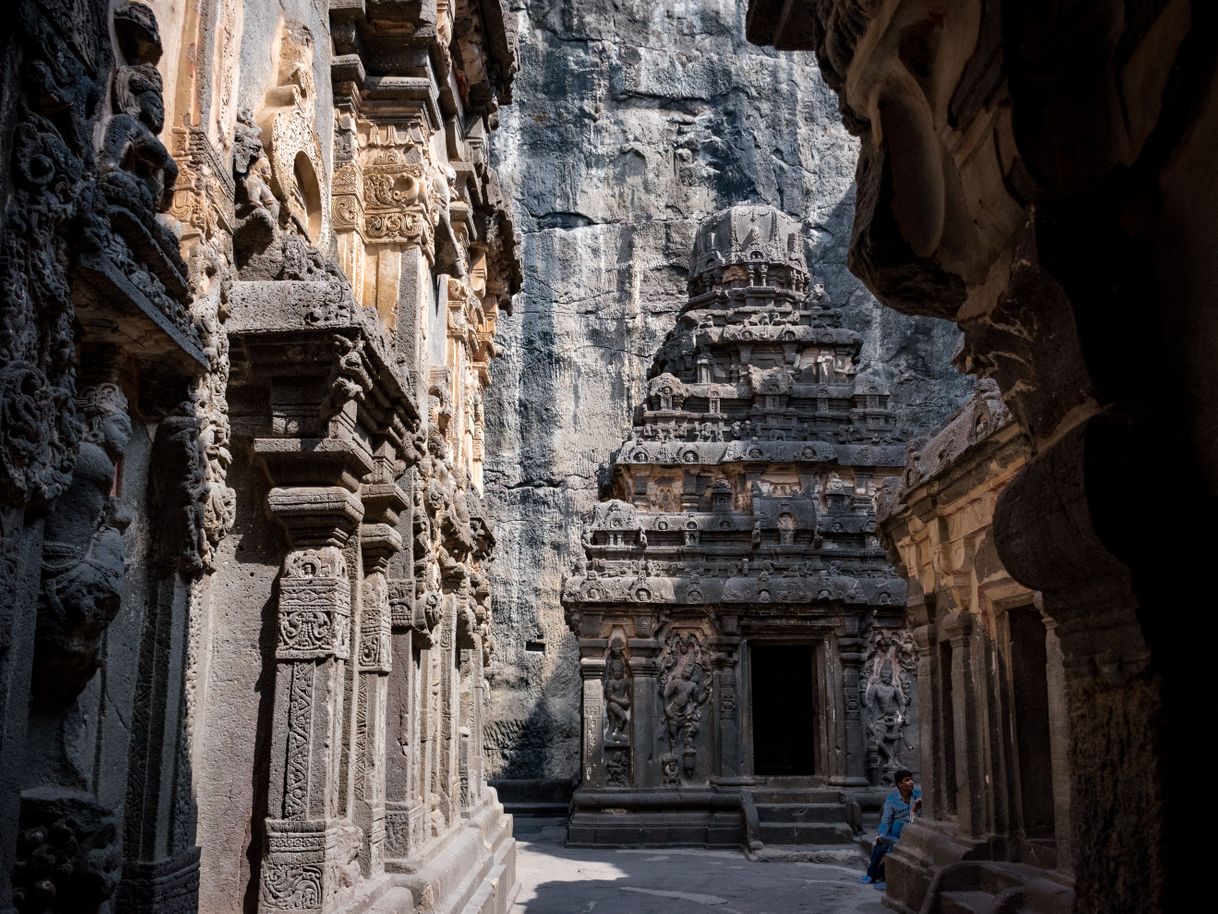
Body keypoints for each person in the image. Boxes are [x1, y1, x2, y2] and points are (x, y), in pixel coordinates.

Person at [860, 769, 922, 889]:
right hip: (894, 833)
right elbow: (886, 819)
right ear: (899, 784)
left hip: (910, 832)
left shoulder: (918, 795)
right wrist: (881, 833)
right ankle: (871, 873)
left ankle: (887, 878)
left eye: (911, 779)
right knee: (881, 843)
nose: (911, 782)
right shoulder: (892, 799)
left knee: (892, 847)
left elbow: (913, 820)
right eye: (907, 780)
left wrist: (914, 808)